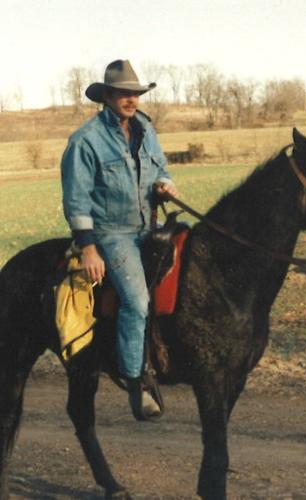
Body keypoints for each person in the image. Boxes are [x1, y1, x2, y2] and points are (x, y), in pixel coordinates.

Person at [61, 59, 178, 419]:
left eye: (135, 93)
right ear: (107, 97)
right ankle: (135, 380)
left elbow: (160, 168)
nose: (131, 100)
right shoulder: (86, 141)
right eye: (123, 94)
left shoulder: (145, 127)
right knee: (137, 300)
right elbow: (76, 199)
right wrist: (89, 248)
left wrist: (164, 185)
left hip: (149, 226)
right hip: (113, 235)